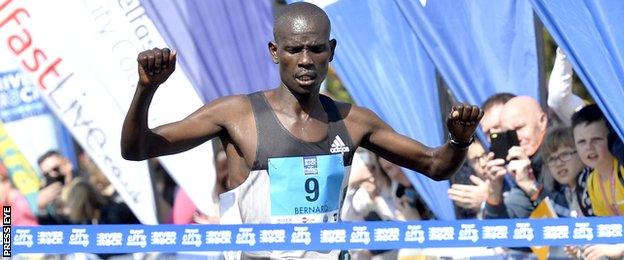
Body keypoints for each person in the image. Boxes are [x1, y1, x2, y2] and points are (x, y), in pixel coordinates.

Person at [121, 2, 482, 258]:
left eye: (316, 49)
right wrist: (146, 89)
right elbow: (137, 149)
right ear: (275, 52)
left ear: (331, 50)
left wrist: (459, 139)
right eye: (294, 49)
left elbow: (436, 166)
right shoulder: (235, 114)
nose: (306, 60)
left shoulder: (354, 121)